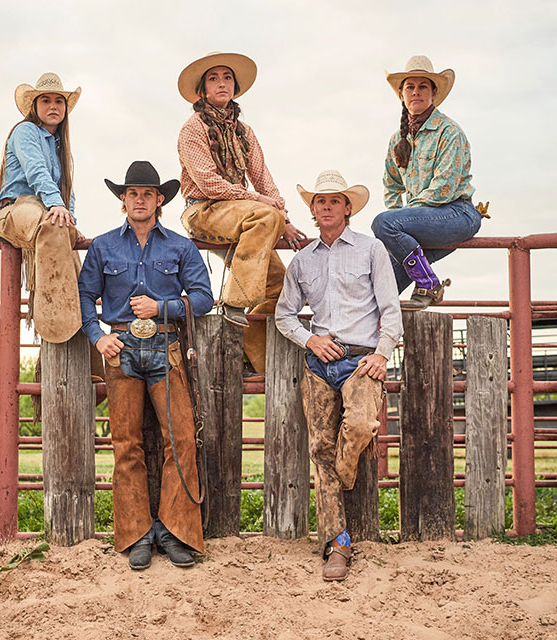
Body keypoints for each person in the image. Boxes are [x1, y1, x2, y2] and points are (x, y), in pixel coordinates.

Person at [78, 161, 214, 570]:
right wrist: (97, 335)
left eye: (147, 193)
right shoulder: (102, 247)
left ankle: (174, 532)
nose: (140, 199)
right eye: (132, 193)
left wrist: (163, 307)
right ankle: (136, 533)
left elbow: (204, 297)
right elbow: (85, 295)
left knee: (182, 440)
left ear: (160, 200)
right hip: (120, 350)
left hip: (167, 346)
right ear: (123, 200)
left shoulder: (180, 245)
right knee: (126, 444)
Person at [275, 170, 403, 581]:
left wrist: (383, 355)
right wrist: (310, 342)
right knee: (319, 448)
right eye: (320, 201)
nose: (327, 207)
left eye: (334, 201)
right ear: (312, 210)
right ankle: (338, 544)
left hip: (363, 361)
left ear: (348, 208)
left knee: (363, 425)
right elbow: (284, 315)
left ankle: (342, 474)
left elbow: (390, 311)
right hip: (319, 364)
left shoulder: (371, 249)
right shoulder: (302, 259)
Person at [177, 51, 307, 374]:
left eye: (227, 78)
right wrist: (262, 206)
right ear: (202, 89)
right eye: (213, 78)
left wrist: (284, 221)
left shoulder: (244, 132)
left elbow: (265, 179)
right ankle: (234, 302)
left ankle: (251, 348)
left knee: (284, 286)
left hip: (245, 217)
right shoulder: (192, 128)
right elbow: (207, 182)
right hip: (204, 211)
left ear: (234, 87)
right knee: (264, 215)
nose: (221, 83)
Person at [371, 55, 484, 310]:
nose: (416, 92)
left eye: (423, 86)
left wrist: (401, 221)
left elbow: (443, 188)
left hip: (456, 213)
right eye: (410, 87)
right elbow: (391, 185)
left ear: (433, 93)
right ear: (402, 94)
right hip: (419, 222)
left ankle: (428, 283)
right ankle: (364, 343)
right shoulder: (396, 140)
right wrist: (400, 222)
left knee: (382, 224)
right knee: (378, 288)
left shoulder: (449, 131)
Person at [0, 72, 85, 342]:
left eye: (59, 101)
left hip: (42, 212)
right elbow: (37, 172)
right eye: (46, 100)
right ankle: (59, 331)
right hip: (14, 210)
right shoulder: (25, 132)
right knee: (55, 227)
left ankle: (83, 352)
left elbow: (68, 189)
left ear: (65, 108)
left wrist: (71, 217)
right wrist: (57, 205)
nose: (53, 106)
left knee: (65, 236)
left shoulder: (59, 146)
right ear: (35, 106)